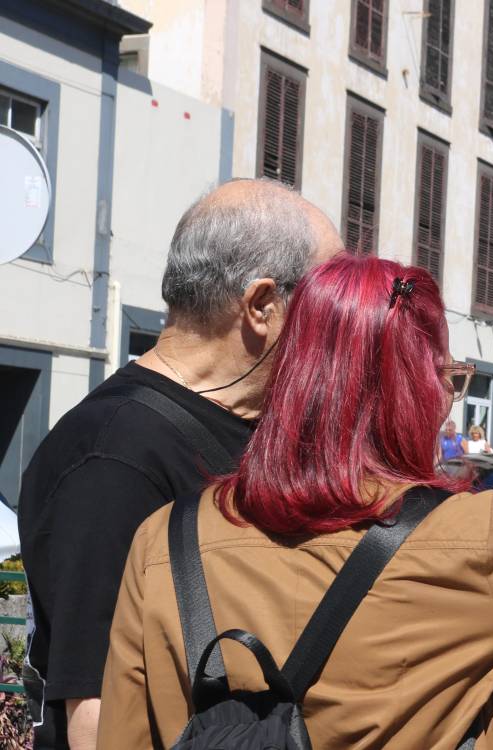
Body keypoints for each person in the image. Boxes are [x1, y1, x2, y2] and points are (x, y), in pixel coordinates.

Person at [99, 253, 493, 747]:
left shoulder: (164, 535)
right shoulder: (474, 536)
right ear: (415, 385)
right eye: (444, 375)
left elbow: (122, 734)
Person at [18, 179, 342, 750]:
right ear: (262, 306)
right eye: (328, 301)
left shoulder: (250, 431)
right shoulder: (113, 460)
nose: (340, 325)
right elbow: (98, 720)